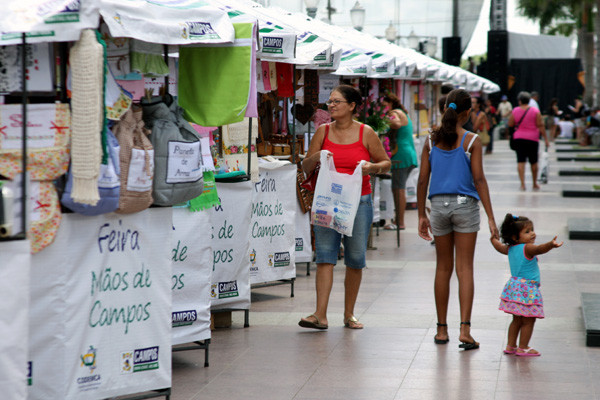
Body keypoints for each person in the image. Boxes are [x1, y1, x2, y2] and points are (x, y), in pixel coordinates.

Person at [299, 84, 391, 330]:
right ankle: (320, 315)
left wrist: (371, 168)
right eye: (330, 101)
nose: (331, 105)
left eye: (337, 101)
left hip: (358, 202)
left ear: (352, 106)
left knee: (355, 258)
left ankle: (349, 314)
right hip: (327, 202)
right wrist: (316, 158)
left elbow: (386, 163)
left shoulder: (366, 133)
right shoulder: (322, 131)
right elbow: (306, 167)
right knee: (325, 257)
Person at [417, 89, 499, 350]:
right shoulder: (472, 141)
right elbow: (479, 180)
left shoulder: (430, 141)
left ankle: (442, 330)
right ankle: (465, 329)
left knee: (443, 268)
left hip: (438, 207)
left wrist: (421, 214)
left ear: (445, 110)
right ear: (468, 113)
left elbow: (422, 180)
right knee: (465, 269)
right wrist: (491, 218)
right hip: (466, 207)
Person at [491, 214, 563, 357]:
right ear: (514, 237)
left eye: (532, 230)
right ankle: (523, 347)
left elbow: (499, 247)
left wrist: (493, 239)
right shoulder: (528, 248)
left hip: (514, 287)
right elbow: (539, 249)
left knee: (516, 319)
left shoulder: (510, 249)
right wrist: (550, 245)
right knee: (529, 320)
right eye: (527, 232)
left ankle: (511, 345)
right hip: (527, 290)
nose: (532, 233)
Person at [381, 93, 417, 231]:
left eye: (384, 105)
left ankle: (400, 222)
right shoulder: (403, 112)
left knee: (398, 188)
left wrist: (384, 119)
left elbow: (395, 123)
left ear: (390, 103)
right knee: (398, 187)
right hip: (408, 153)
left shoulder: (394, 112)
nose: (383, 108)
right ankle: (398, 220)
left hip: (401, 154)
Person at [508, 91, 550, 191]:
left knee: (521, 161)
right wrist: (546, 139)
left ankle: (522, 184)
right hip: (533, 139)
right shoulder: (535, 111)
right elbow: (541, 125)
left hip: (519, 138)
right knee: (534, 162)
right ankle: (534, 183)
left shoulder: (515, 111)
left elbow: (510, 124)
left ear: (519, 101)